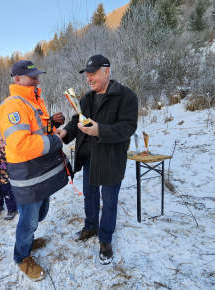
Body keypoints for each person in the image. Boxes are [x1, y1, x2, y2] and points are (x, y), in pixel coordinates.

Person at [55, 54, 138, 265]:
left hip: (111, 158)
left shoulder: (126, 96)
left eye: (93, 74)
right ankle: (90, 226)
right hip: (89, 156)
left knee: (109, 202)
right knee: (89, 196)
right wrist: (65, 133)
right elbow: (77, 121)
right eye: (87, 75)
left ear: (106, 71)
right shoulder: (86, 98)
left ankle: (106, 239)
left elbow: (128, 127)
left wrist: (100, 130)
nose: (89, 79)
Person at [0, 60, 68, 281]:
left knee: (40, 213)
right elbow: (20, 144)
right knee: (28, 220)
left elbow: (39, 132)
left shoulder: (35, 101)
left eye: (38, 75)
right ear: (17, 79)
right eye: (32, 77)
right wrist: (55, 141)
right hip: (26, 173)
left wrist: (53, 125)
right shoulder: (13, 105)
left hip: (40, 169)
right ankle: (22, 256)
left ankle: (27, 240)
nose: (37, 79)